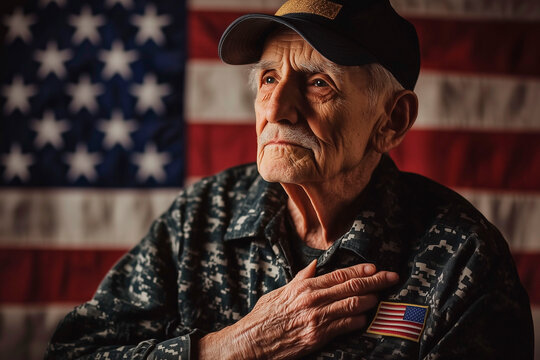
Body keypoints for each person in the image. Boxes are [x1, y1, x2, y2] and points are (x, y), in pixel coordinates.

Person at [46, 0, 534, 359]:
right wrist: (226, 348)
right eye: (268, 79)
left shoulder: (462, 256)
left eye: (319, 82)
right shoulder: (201, 214)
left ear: (392, 120)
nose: (277, 110)